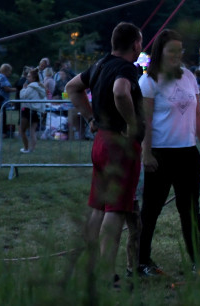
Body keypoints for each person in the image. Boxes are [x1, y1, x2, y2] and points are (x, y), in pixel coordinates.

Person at [66, 22, 145, 289]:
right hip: (120, 145)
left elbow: (72, 86)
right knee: (117, 209)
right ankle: (106, 274)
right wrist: (132, 124)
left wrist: (91, 117)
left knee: (97, 207)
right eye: (140, 43)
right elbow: (121, 91)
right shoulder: (125, 68)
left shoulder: (99, 65)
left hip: (100, 142)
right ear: (136, 44)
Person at [137, 29, 200, 276]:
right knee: (151, 210)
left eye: (180, 50)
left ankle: (197, 262)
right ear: (160, 52)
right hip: (160, 153)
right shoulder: (149, 81)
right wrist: (145, 154)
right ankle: (142, 261)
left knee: (190, 209)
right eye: (172, 50)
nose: (177, 55)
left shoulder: (189, 77)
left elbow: (198, 112)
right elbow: (145, 121)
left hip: (187, 153)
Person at [19, 70, 47, 153]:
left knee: (22, 130)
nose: (27, 78)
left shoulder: (31, 87)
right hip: (37, 112)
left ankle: (26, 148)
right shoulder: (41, 87)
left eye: (29, 76)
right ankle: (32, 149)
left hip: (28, 110)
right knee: (32, 131)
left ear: (34, 78)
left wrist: (23, 88)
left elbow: (23, 96)